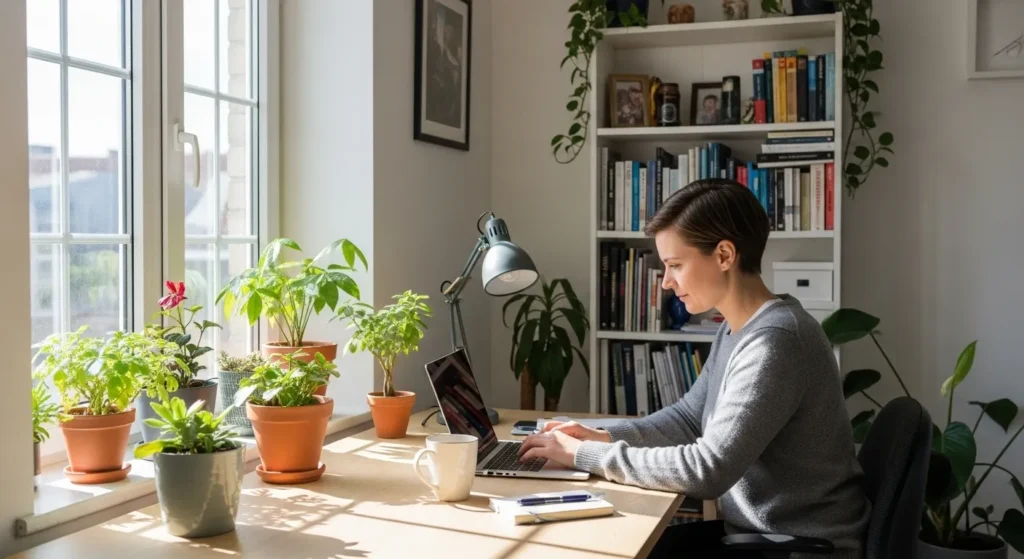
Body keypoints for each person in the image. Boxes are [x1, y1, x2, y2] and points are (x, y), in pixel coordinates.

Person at [518, 179, 870, 558]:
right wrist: (600, 436)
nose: (667, 283)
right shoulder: (739, 328)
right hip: (760, 535)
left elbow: (707, 470)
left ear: (724, 255)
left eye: (675, 265)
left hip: (796, 547)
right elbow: (689, 418)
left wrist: (581, 456)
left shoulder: (777, 341)